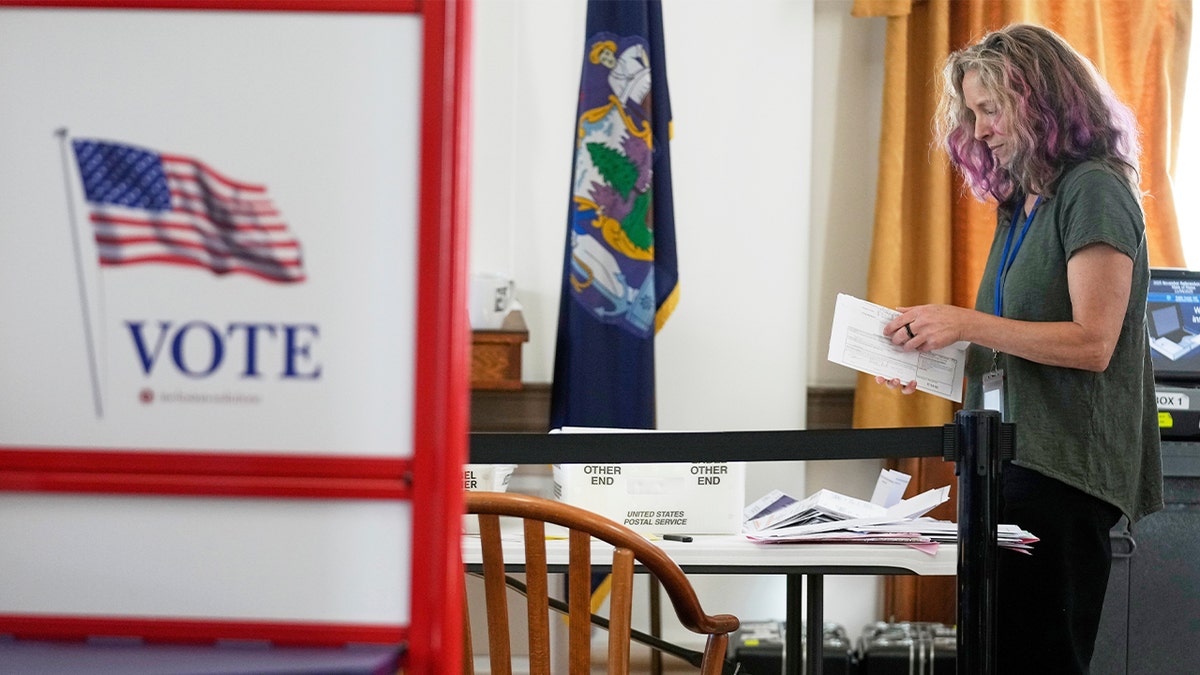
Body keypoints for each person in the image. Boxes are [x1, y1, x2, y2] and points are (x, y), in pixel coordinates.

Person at [875, 24, 1163, 674]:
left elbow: (1093, 342)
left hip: (1061, 475)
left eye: (991, 109)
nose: (978, 130)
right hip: (1003, 467)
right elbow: (1011, 345)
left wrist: (965, 322)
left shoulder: (1094, 190)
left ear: (1043, 101)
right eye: (972, 113)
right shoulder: (1022, 204)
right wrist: (926, 352)